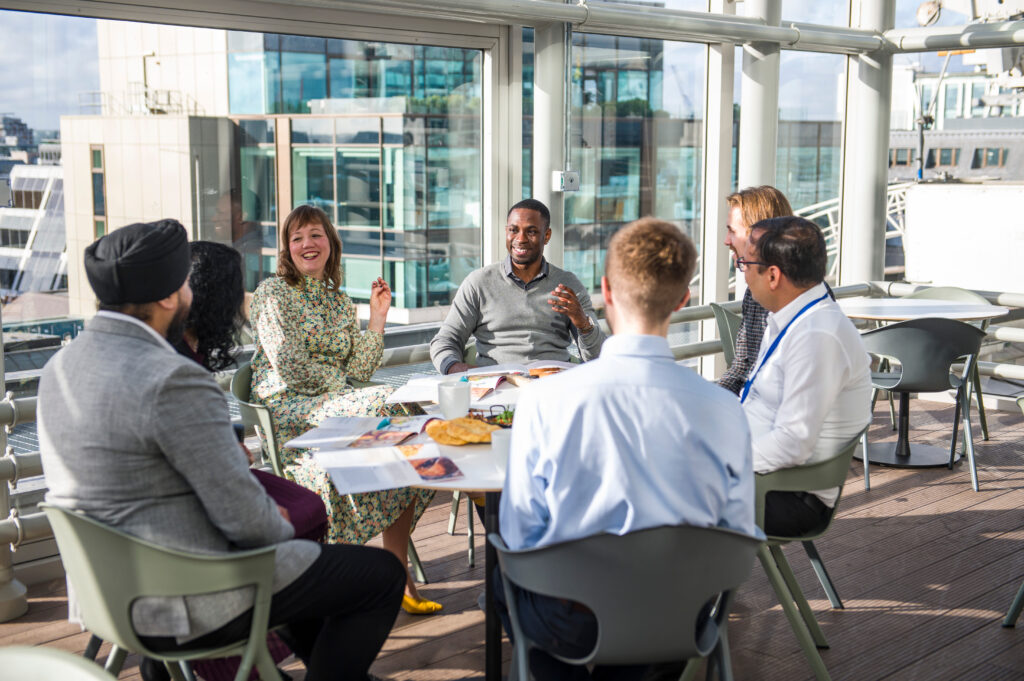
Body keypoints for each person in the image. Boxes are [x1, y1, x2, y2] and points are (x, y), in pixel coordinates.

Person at [37, 220, 404, 681]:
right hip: (189, 592)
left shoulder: (61, 366)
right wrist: (278, 520)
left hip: (108, 592)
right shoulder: (173, 377)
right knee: (380, 575)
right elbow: (250, 525)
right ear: (169, 297)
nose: (193, 297)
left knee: (316, 575)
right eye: (186, 286)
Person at [499, 217, 761, 681]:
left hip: (572, 621)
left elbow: (521, 533)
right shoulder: (725, 410)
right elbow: (734, 535)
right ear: (683, 300)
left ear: (605, 290)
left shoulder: (544, 401)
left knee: (504, 586)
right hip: (675, 620)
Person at [249, 204, 440, 615]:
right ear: (286, 248)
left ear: (330, 243)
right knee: (387, 404)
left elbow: (357, 369)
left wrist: (376, 320)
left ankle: (397, 573)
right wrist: (346, 392)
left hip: (335, 406)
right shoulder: (272, 293)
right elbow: (291, 366)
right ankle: (370, 577)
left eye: (315, 234)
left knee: (403, 446)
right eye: (296, 237)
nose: (306, 244)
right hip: (291, 413)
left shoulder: (337, 301)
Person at [738, 215, 872, 537]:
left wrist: (716, 462)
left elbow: (792, 443)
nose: (741, 270)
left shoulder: (817, 335)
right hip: (763, 479)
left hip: (783, 493)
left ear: (773, 275)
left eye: (745, 262)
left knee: (656, 497)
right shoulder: (795, 319)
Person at [430, 198, 605, 375]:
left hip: (552, 386)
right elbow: (445, 340)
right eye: (513, 230)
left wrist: (583, 322)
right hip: (495, 387)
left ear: (547, 236)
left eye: (531, 231)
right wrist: (457, 368)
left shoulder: (568, 284)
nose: (520, 239)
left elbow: (597, 359)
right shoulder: (478, 282)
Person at [718, 186, 794, 395]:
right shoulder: (753, 293)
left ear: (758, 235)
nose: (726, 240)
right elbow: (741, 367)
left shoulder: (800, 297)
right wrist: (711, 400)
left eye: (732, 231)